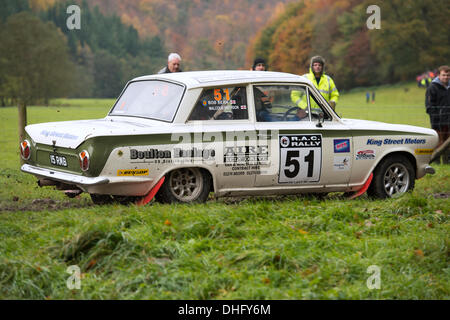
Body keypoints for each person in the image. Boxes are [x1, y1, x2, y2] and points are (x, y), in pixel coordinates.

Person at [426, 65, 450, 148]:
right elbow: (429, 106)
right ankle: (436, 160)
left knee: (448, 144)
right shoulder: (432, 88)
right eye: (444, 75)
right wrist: (436, 119)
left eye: (448, 75)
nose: (446, 77)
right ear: (438, 75)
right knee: (438, 144)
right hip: (438, 122)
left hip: (449, 120)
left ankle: (447, 160)